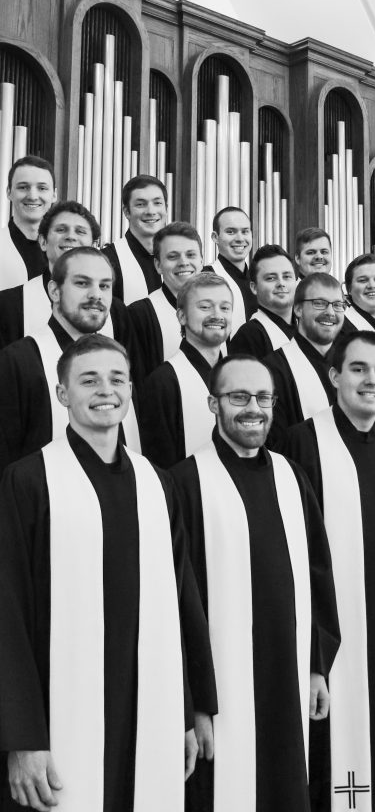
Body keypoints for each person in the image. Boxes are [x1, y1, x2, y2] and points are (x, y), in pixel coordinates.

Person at [0, 334, 217, 812]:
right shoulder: (29, 480)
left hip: (149, 705)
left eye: (117, 379)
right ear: (62, 394)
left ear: (131, 390)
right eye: (89, 380)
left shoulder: (157, 482)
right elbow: (7, 613)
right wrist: (21, 738)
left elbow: (182, 601)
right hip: (60, 714)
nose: (106, 390)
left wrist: (186, 710)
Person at [168, 354, 340, 812]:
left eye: (264, 398)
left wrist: (316, 666)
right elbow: (178, 606)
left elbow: (319, 575)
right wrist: (195, 703)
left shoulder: (292, 477)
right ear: (213, 403)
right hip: (220, 692)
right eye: (239, 397)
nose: (253, 409)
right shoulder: (185, 483)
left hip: (288, 674)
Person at [284, 332, 375, 812]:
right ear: (334, 376)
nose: (372, 380)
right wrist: (313, 654)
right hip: (335, 639)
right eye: (359, 369)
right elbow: (297, 554)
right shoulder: (302, 442)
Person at [0, 247, 140, 475]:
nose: (96, 295)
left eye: (104, 286)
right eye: (82, 283)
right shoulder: (17, 362)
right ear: (54, 291)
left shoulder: (116, 363)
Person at [140, 273, 233, 469]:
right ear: (182, 316)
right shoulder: (162, 382)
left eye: (225, 307)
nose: (217, 315)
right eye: (205, 307)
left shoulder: (240, 378)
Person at [0, 200, 101, 348]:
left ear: (94, 246)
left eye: (80, 231)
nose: (71, 236)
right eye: (61, 230)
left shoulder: (116, 313)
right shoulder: (8, 306)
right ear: (43, 242)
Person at [266, 272, 345, 448]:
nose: (330, 312)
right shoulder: (272, 370)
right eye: (319, 303)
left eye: (338, 305)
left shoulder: (352, 365)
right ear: (298, 309)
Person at [128, 223, 204, 379]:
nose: (183, 262)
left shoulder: (217, 309)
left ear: (202, 262)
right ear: (158, 265)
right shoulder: (139, 315)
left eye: (191, 255)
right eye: (173, 256)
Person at [103, 175, 168, 303]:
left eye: (157, 203)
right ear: (126, 212)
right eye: (140, 204)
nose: (151, 211)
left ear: (166, 208)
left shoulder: (177, 259)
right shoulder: (107, 261)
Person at [229, 244, 297, 358]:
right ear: (254, 287)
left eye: (286, 276)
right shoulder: (248, 337)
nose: (281, 283)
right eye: (271, 278)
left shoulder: (306, 327)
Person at [1, 156, 56, 291]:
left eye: (42, 188)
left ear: (54, 195)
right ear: (8, 192)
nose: (32, 196)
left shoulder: (66, 250)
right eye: (23, 187)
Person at [209, 206, 257, 333]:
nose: (240, 239)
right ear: (215, 237)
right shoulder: (206, 278)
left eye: (245, 231)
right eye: (231, 232)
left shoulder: (259, 281)